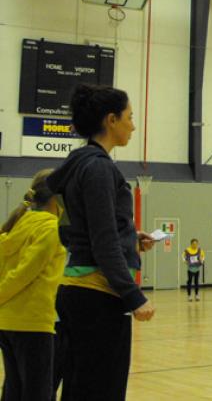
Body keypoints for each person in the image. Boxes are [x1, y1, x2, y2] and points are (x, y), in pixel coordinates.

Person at [47, 84, 156, 401]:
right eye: (129, 117)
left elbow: (71, 231)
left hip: (75, 293)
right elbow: (103, 242)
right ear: (111, 120)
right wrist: (134, 297)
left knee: (80, 387)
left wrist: (129, 239)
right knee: (100, 390)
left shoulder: (74, 167)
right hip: (98, 299)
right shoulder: (98, 169)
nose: (133, 126)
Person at [0, 169, 66, 401]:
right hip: (33, 322)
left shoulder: (18, 223)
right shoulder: (50, 228)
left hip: (7, 321)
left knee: (13, 390)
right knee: (37, 392)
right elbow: (24, 273)